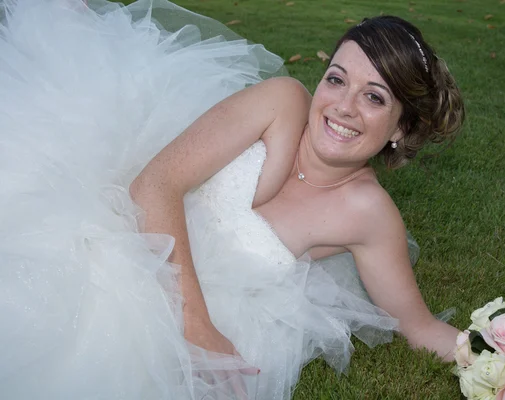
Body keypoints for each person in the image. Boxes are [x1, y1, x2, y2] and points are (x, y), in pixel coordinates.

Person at [0, 0, 464, 399]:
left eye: (374, 97)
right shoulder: (282, 103)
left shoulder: (368, 214)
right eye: (337, 80)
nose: (344, 106)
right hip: (124, 221)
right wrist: (197, 327)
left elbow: (418, 326)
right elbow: (153, 187)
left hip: (223, 303)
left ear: (401, 128)